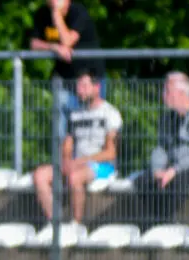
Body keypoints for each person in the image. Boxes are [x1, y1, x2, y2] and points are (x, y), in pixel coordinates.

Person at [33, 71, 122, 226]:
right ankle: (55, 223)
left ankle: (76, 224)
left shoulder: (111, 114)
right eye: (78, 86)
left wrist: (81, 161)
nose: (80, 90)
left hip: (103, 166)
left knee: (75, 177)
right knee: (40, 175)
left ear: (97, 88)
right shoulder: (75, 114)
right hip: (76, 164)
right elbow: (67, 145)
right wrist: (66, 161)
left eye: (84, 86)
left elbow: (111, 152)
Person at [136, 71, 189, 223]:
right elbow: (161, 148)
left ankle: (168, 223)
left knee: (177, 182)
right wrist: (157, 170)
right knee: (143, 180)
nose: (163, 95)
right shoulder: (167, 118)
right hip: (172, 166)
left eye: (168, 91)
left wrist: (175, 170)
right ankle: (150, 223)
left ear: (182, 93)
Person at [30, 0, 104, 136]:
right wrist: (54, 47)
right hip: (65, 80)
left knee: (91, 130)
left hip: (90, 80)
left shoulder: (78, 12)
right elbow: (34, 44)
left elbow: (67, 41)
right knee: (62, 131)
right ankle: (63, 157)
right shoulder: (42, 14)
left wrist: (56, 15)